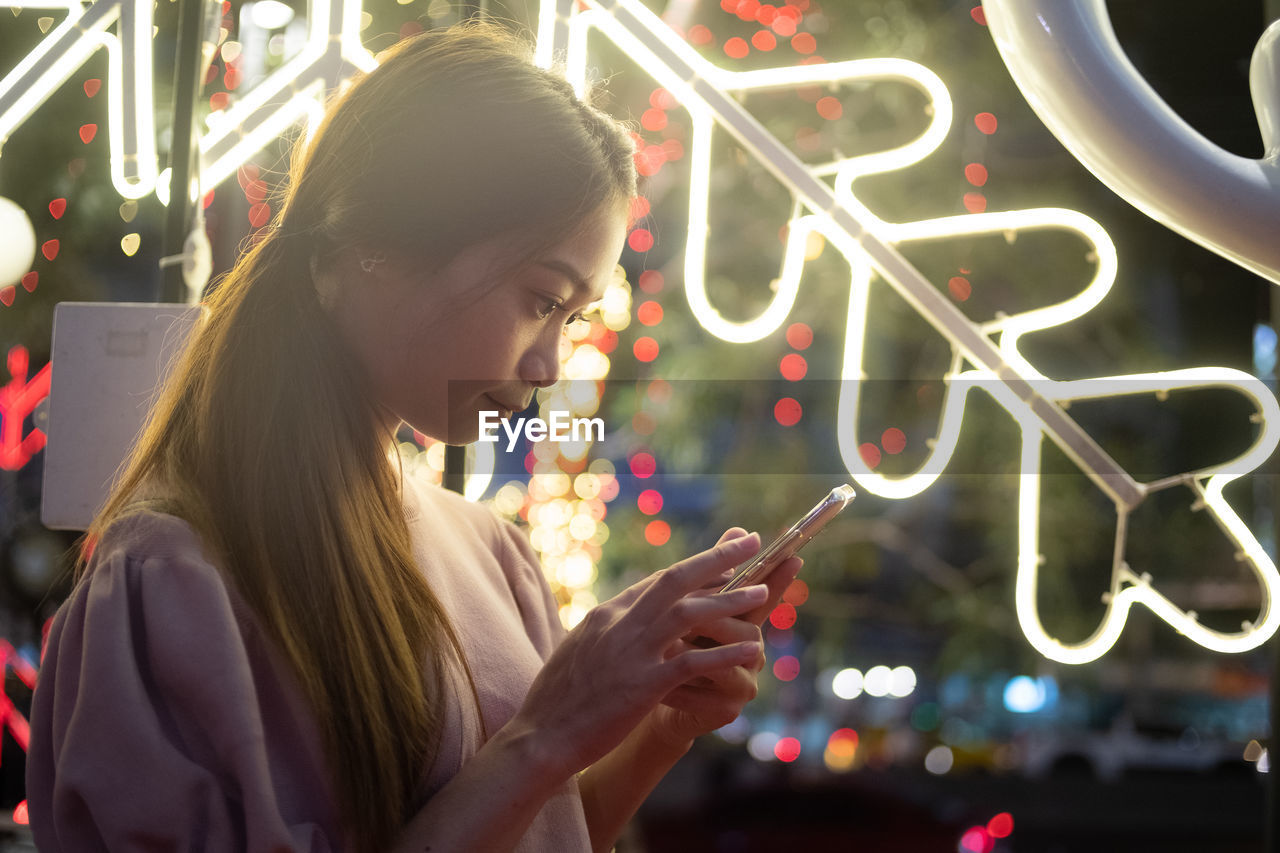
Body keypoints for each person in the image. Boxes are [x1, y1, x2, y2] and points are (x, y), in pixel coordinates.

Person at [26, 20, 802, 853]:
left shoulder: (494, 555)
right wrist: (542, 736)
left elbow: (543, 831)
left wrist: (659, 725)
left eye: (573, 317)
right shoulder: (173, 577)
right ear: (375, 247)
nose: (547, 363)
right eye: (541, 300)